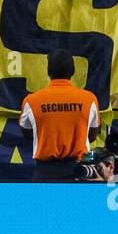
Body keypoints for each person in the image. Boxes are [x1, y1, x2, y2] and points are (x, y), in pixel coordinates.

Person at [18, 50, 101, 181]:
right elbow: (92, 135)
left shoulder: (31, 101)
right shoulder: (90, 99)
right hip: (78, 172)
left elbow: (27, 134)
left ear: (48, 72)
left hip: (44, 173)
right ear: (73, 71)